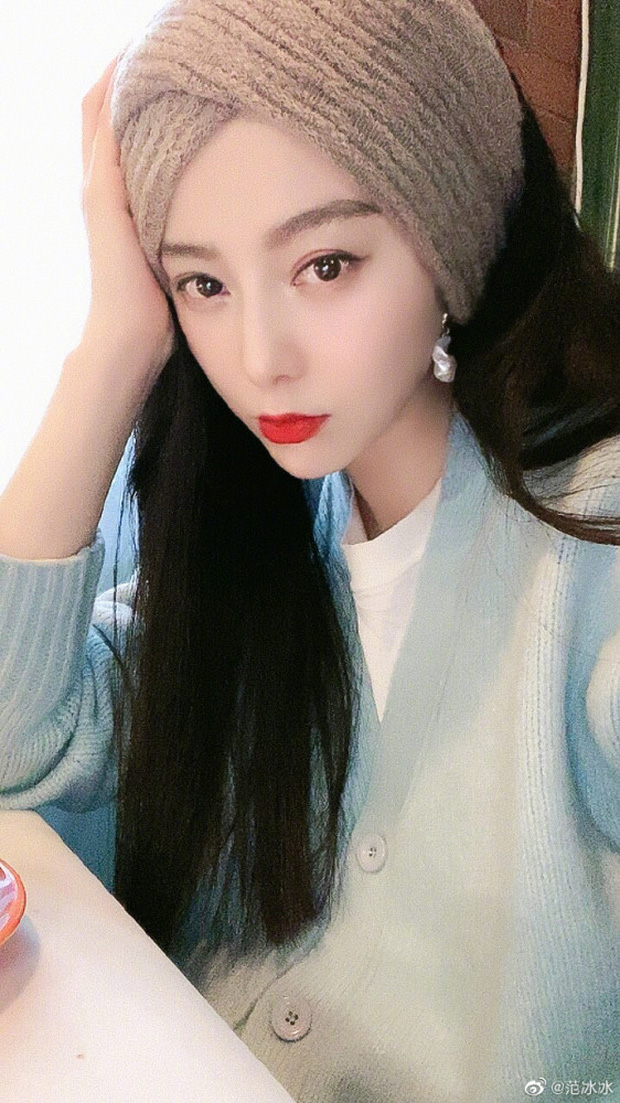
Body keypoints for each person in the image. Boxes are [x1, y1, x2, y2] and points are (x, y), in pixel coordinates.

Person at [1, 1, 619, 1099]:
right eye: (203, 283)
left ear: (452, 234)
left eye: (325, 264)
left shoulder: (592, 544)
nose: (259, 358)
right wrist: (114, 346)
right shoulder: (254, 546)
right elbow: (14, 734)